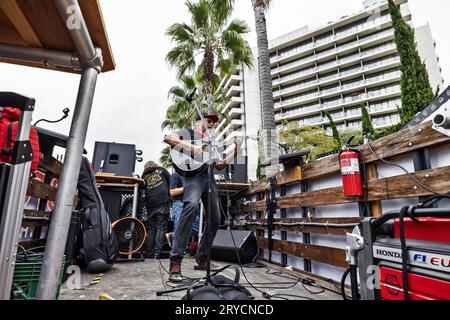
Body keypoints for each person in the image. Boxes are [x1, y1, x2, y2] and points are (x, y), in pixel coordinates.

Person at [164, 112, 242, 282]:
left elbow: (220, 165)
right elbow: (168, 138)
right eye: (209, 120)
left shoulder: (212, 144)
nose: (212, 124)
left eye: (213, 122)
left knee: (216, 218)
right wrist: (193, 148)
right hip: (192, 178)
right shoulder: (189, 133)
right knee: (190, 205)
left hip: (209, 179)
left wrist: (236, 151)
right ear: (198, 121)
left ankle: (202, 259)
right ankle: (175, 262)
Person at [141, 161, 171, 259]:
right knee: (161, 227)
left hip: (150, 202)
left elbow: (143, 186)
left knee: (151, 228)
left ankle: (149, 253)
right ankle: (157, 253)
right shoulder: (162, 170)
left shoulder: (144, 174)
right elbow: (171, 182)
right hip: (162, 199)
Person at [167, 172, 200, 246]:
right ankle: (176, 252)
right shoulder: (176, 175)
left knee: (196, 229)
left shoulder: (194, 176)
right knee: (180, 228)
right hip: (180, 203)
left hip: (193, 204)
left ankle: (173, 236)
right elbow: (172, 192)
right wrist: (187, 188)